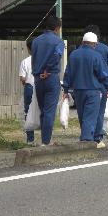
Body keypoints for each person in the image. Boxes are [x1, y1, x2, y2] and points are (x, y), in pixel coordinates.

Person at [62, 32, 108, 142]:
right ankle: (86, 141)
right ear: (95, 44)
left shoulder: (74, 55)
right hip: (93, 91)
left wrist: (66, 90)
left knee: (82, 116)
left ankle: (86, 138)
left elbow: (68, 73)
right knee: (90, 117)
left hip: (78, 91)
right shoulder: (96, 55)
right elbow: (103, 74)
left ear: (82, 42)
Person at [31, 16, 65, 146]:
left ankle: (44, 139)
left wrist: (38, 73)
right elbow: (56, 55)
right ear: (57, 28)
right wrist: (48, 69)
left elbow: (33, 59)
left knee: (43, 110)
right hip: (50, 77)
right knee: (50, 111)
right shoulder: (58, 41)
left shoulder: (36, 41)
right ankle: (46, 141)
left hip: (38, 78)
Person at [84, 24, 108, 149]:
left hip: (82, 86)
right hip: (100, 86)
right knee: (98, 113)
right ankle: (96, 139)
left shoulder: (79, 49)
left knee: (85, 113)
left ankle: (86, 136)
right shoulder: (106, 49)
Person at [19, 39, 35, 145]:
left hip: (29, 88)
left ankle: (30, 139)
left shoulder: (25, 61)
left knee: (28, 113)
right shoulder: (42, 60)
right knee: (43, 112)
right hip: (41, 88)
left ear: (28, 49)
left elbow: (22, 78)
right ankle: (46, 138)